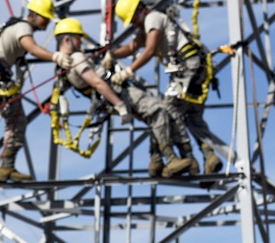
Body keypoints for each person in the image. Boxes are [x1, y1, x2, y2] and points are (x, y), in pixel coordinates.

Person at [54, 18, 196, 177]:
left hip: (110, 97)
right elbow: (97, 82)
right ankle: (171, 159)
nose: (80, 43)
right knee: (158, 111)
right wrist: (120, 105)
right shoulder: (77, 58)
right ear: (67, 39)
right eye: (78, 38)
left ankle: (157, 162)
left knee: (154, 116)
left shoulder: (63, 65)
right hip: (118, 93)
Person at [0, 0, 74, 186]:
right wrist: (56, 57)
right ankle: (6, 166)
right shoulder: (24, 28)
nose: (46, 22)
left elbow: (15, 49)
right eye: (44, 18)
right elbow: (32, 48)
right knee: (16, 119)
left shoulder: (14, 26)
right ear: (34, 15)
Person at [110, 0, 226, 174]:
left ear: (140, 12)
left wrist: (127, 71)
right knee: (192, 116)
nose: (133, 25)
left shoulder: (152, 18)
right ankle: (209, 156)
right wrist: (112, 54)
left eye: (133, 20)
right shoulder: (149, 23)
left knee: (167, 109)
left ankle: (186, 158)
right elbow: (133, 47)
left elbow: (148, 50)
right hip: (193, 67)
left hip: (187, 66)